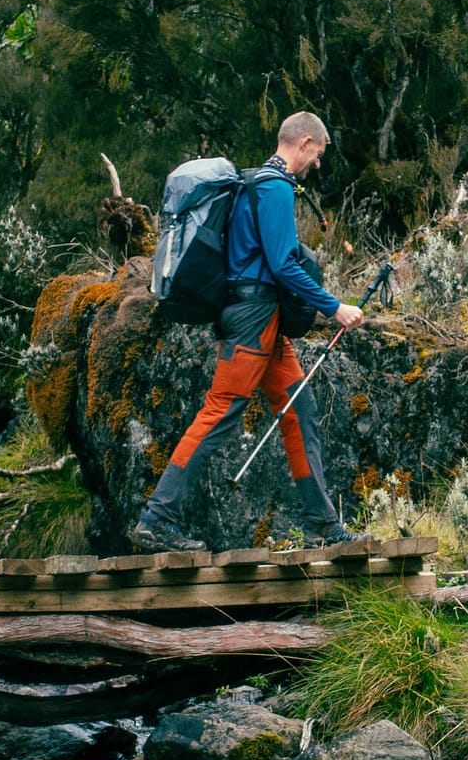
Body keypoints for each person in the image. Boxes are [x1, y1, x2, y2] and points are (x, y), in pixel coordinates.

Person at [130, 112, 365, 553]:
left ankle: (323, 524)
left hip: (263, 322)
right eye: (318, 153)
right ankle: (157, 518)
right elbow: (282, 264)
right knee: (220, 413)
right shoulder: (273, 188)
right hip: (253, 319)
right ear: (305, 142)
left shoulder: (254, 184)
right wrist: (334, 308)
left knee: (300, 412)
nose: (317, 163)